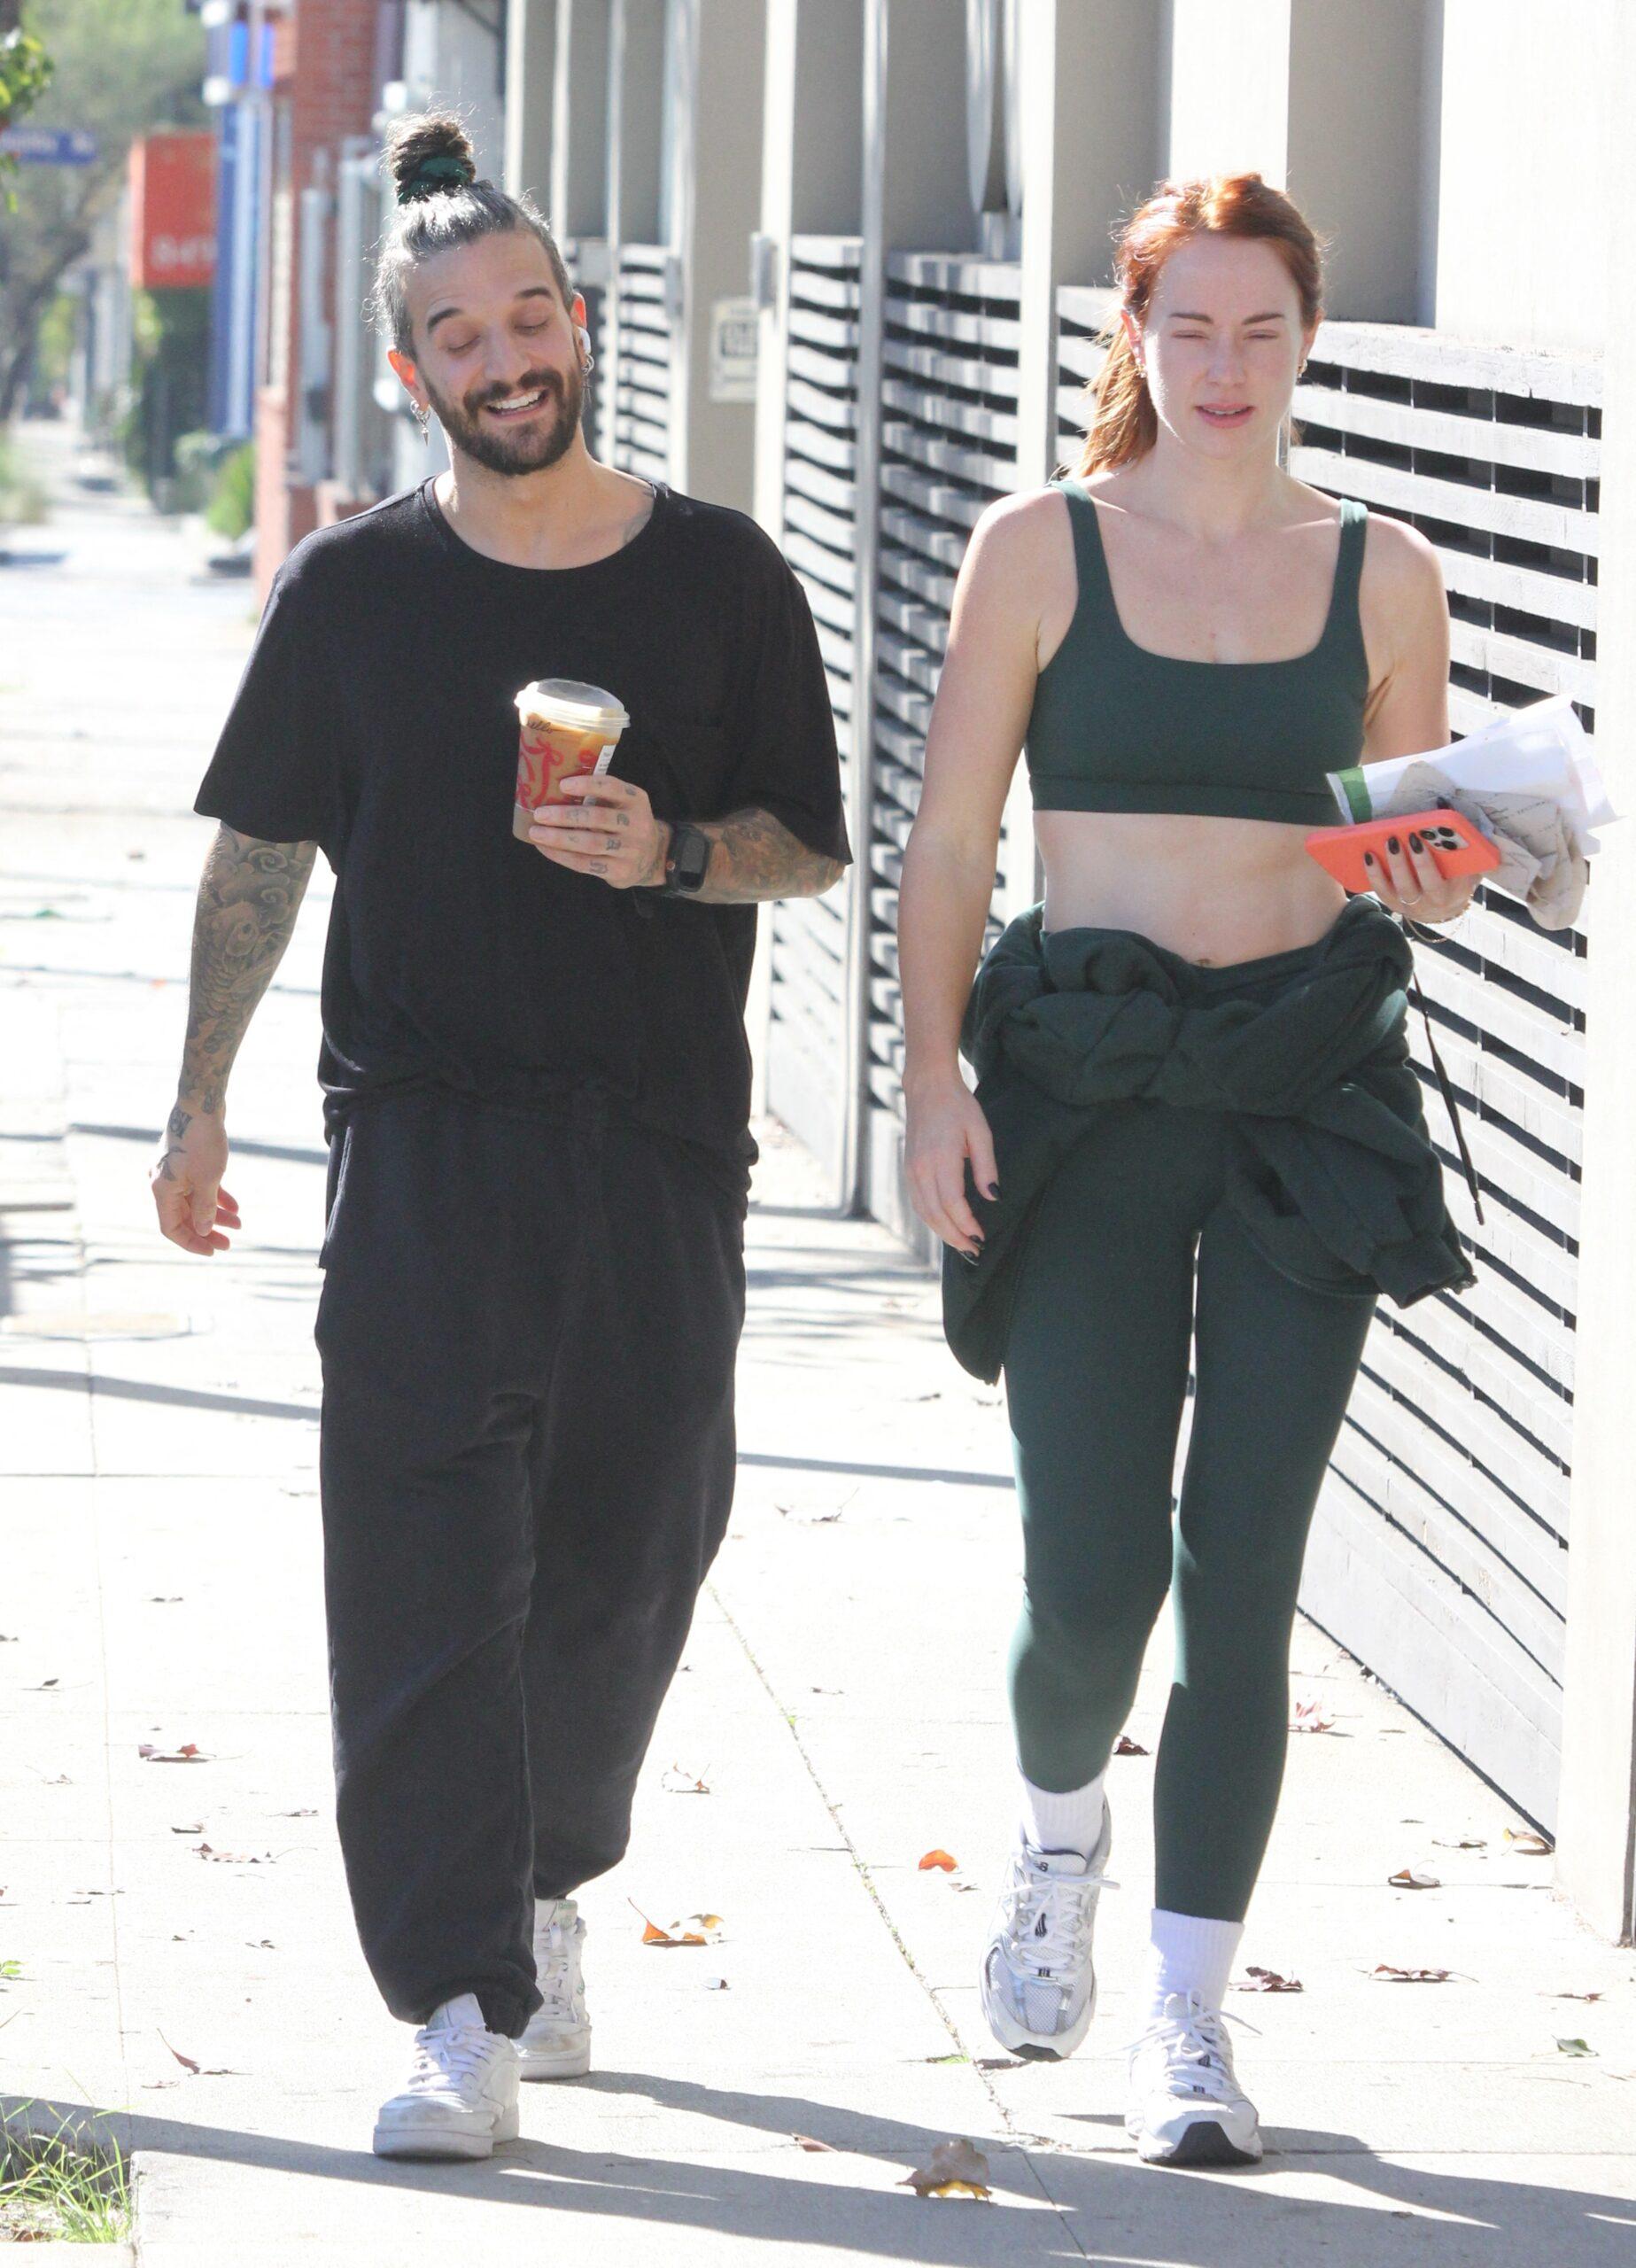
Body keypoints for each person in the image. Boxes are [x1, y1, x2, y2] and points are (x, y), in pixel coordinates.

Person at [149, 112, 849, 2163]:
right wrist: (198, 1099)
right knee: (420, 1564)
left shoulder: (723, 575)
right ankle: (458, 2000)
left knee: (630, 1559)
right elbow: (259, 852)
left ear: (580, 322)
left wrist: (671, 848)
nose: (505, 355)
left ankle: (544, 1872)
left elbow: (808, 841)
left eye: (529, 314)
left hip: (653, 1142)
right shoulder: (353, 591)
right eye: (460, 333)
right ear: (411, 370)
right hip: (422, 1134)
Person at [896, 174, 1475, 2170]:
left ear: (1309, 342)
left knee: (1247, 1577)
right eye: (1192, 326)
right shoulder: (1038, 548)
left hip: (1306, 1091)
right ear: (1136, 334)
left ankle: (1190, 2019)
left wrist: (1478, 853)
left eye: (1263, 330)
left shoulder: (1384, 573)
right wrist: (930, 1083)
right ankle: (1057, 1839)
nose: (1227, 367)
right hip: (1087, 1087)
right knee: (1092, 1586)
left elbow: (1406, 863)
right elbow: (953, 839)